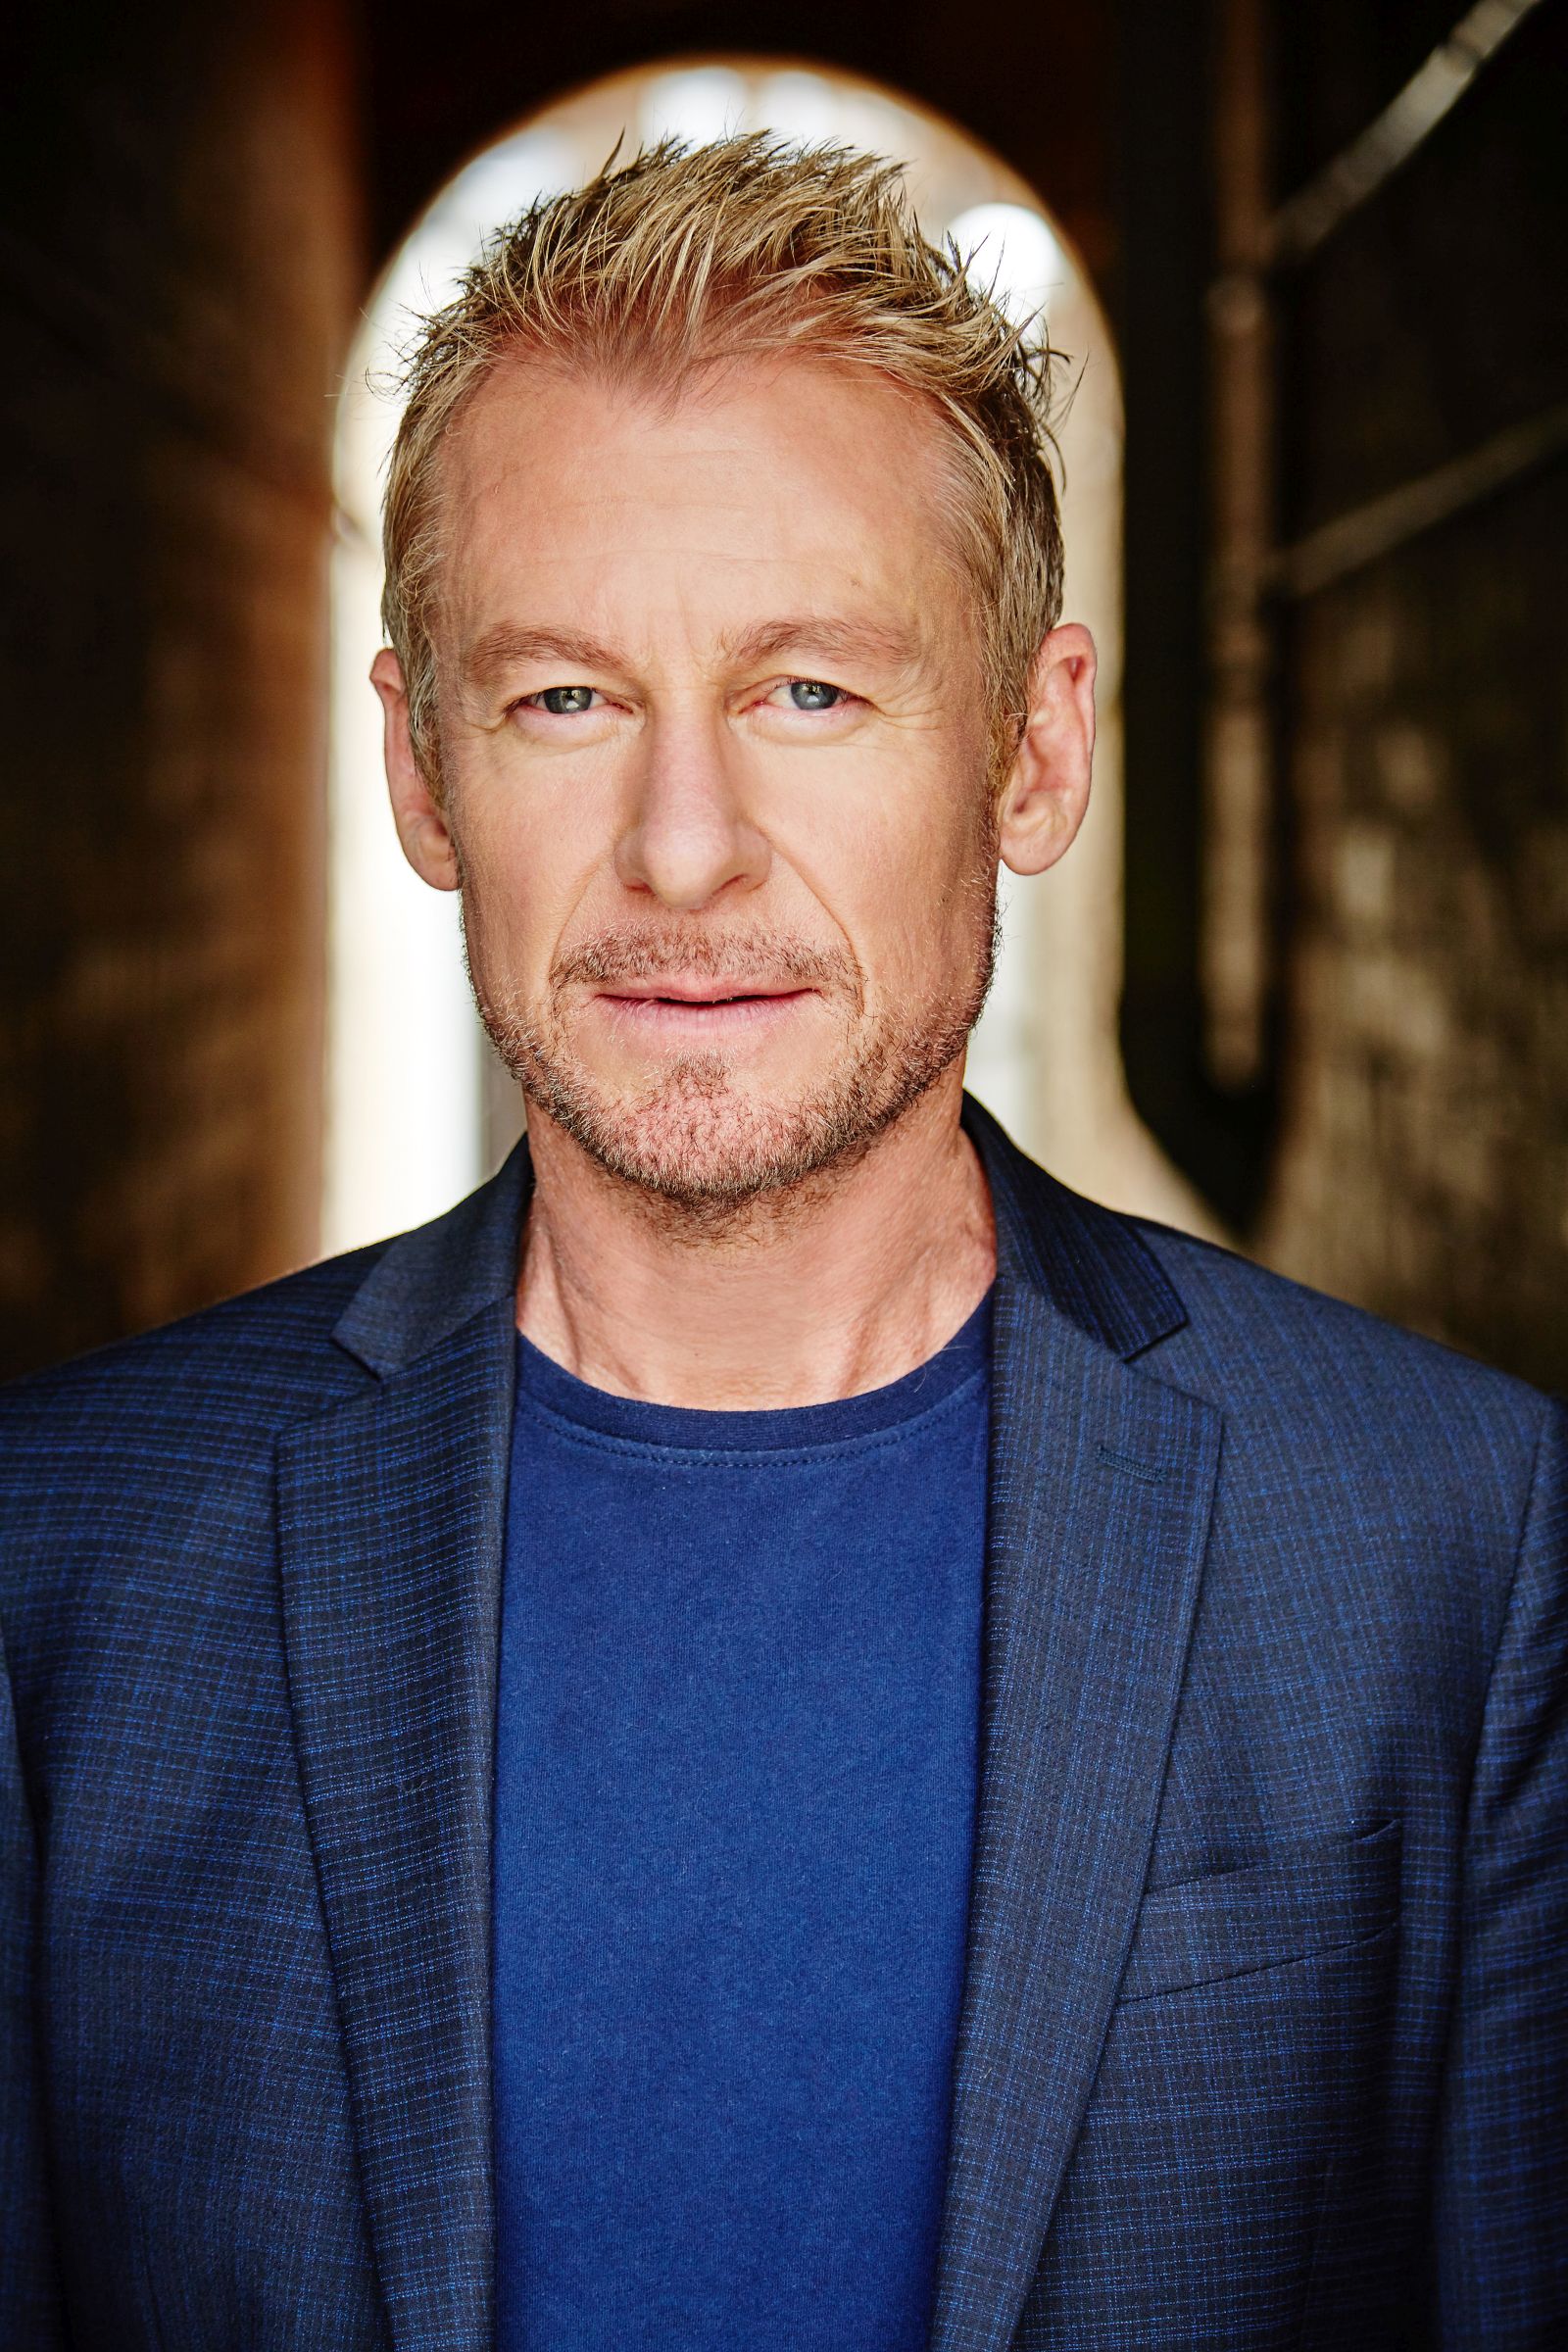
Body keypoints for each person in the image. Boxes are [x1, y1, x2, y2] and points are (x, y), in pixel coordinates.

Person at [2, 133, 1563, 2352]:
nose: (680, 849)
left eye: (806, 690)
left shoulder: (1443, 1538)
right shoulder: (57, 1569)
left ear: (1033, 751)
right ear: (422, 774)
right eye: (565, 697)